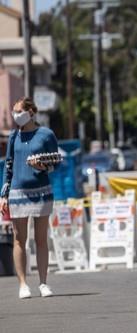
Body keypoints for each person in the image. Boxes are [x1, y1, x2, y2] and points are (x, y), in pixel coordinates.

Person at [0, 97, 60, 299]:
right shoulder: (13, 136)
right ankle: (23, 284)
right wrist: (3, 195)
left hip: (41, 191)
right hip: (17, 192)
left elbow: (56, 162)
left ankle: (43, 283)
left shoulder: (46, 134)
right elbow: (8, 165)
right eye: (14, 111)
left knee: (41, 239)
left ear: (31, 112)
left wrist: (42, 166)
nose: (16, 115)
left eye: (19, 111)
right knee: (19, 239)